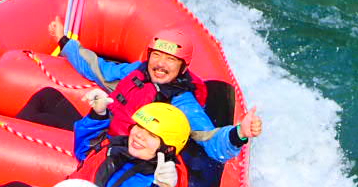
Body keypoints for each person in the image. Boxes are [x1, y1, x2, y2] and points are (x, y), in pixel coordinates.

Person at [22, 18, 262, 164]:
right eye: (157, 55)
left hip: (118, 152)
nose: (160, 64)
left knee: (39, 120)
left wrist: (240, 132)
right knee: (46, 97)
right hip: (101, 127)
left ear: (183, 67)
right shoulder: (138, 72)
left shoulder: (181, 102)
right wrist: (65, 42)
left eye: (170, 60)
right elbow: (97, 68)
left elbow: (211, 141)